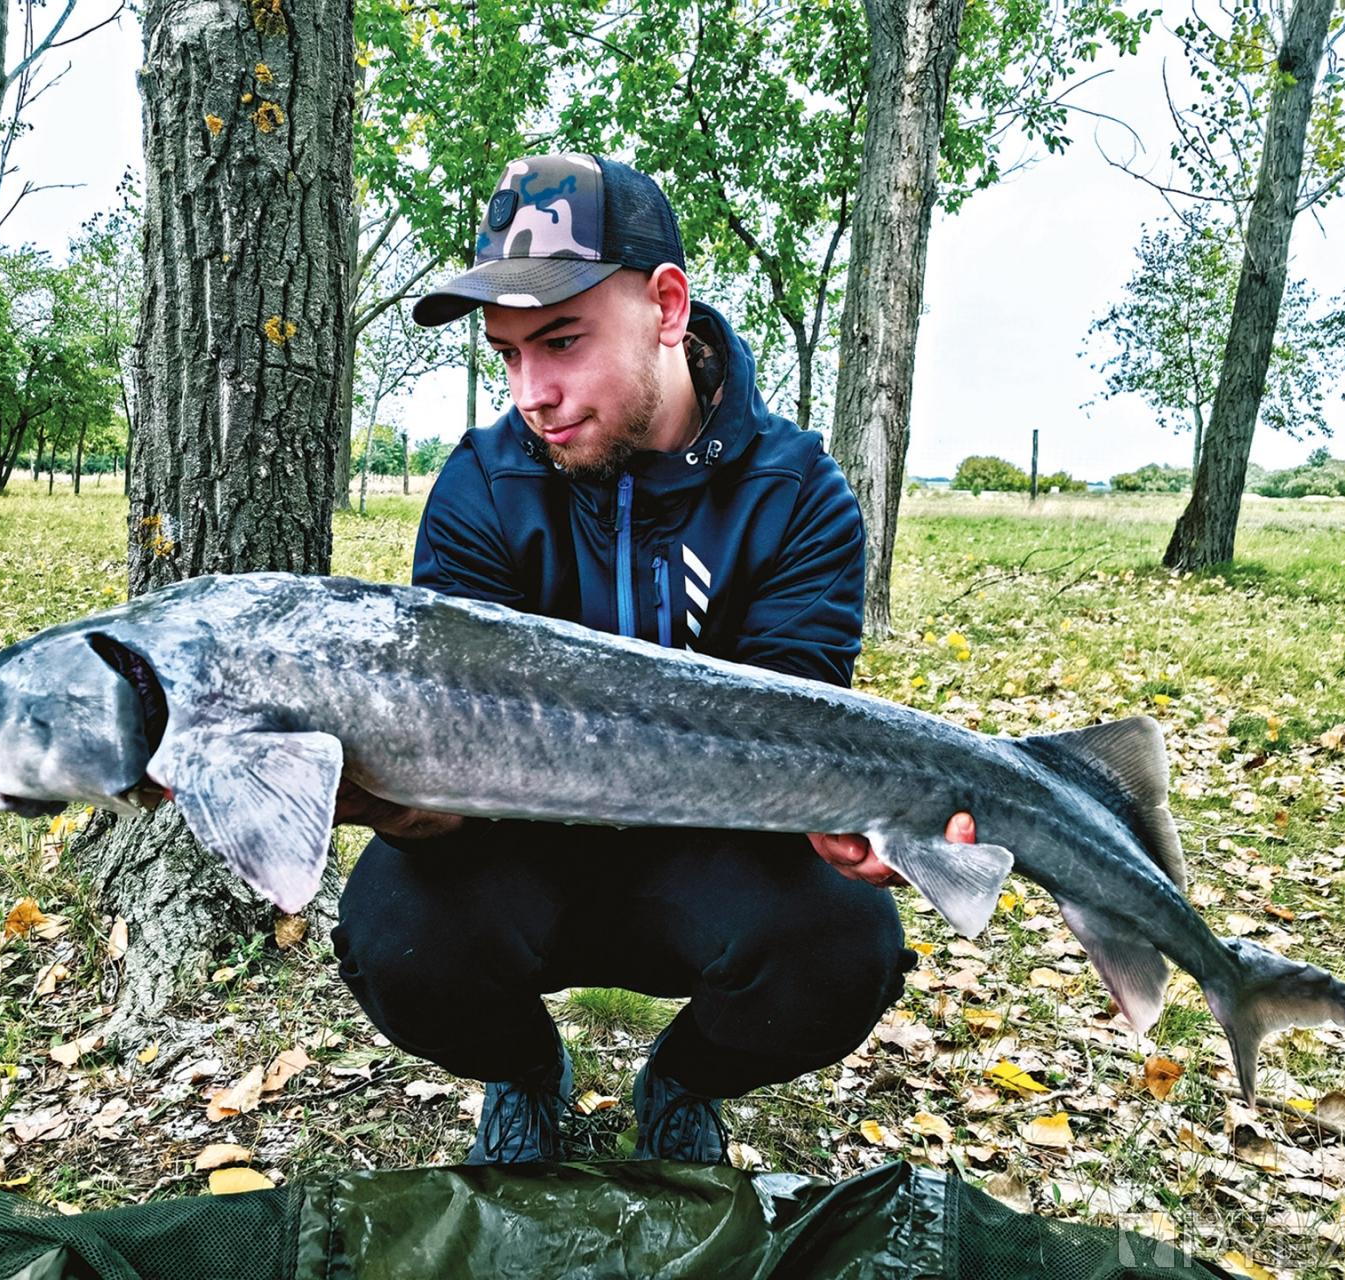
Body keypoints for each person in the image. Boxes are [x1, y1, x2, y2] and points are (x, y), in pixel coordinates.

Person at [329, 154, 973, 1166]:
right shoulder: (480, 487)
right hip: (522, 841)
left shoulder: (797, 494)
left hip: (714, 845)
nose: (532, 394)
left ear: (667, 306)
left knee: (844, 946)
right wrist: (382, 798)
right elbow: (451, 763)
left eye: (561, 341)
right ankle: (524, 1069)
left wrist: (854, 820)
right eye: (506, 355)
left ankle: (686, 1080)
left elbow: (795, 734)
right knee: (395, 938)